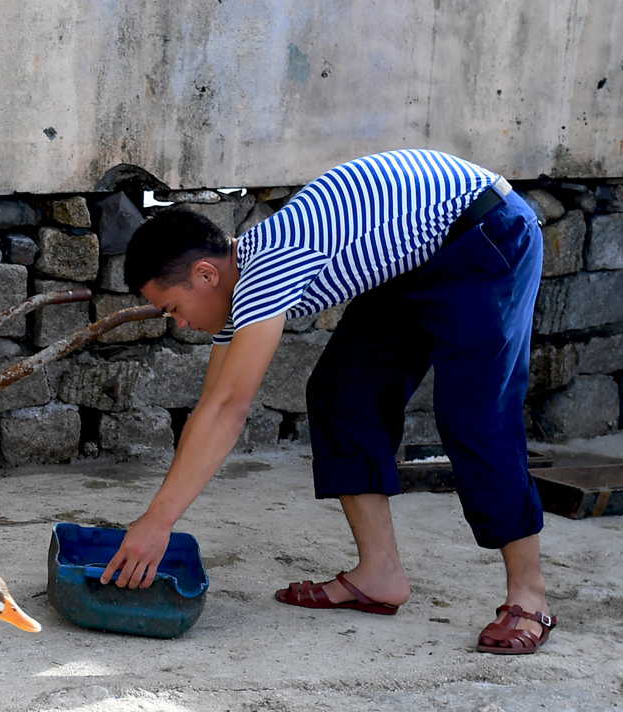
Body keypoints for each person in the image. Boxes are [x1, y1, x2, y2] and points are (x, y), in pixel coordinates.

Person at [101, 149, 555, 655]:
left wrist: (158, 524)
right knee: (343, 393)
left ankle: (529, 594)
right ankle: (380, 573)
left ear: (206, 275)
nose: (180, 323)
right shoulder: (244, 279)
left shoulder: (268, 266)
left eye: (173, 309)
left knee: (476, 415)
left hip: (485, 233)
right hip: (418, 256)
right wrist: (156, 516)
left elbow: (230, 410)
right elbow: (212, 404)